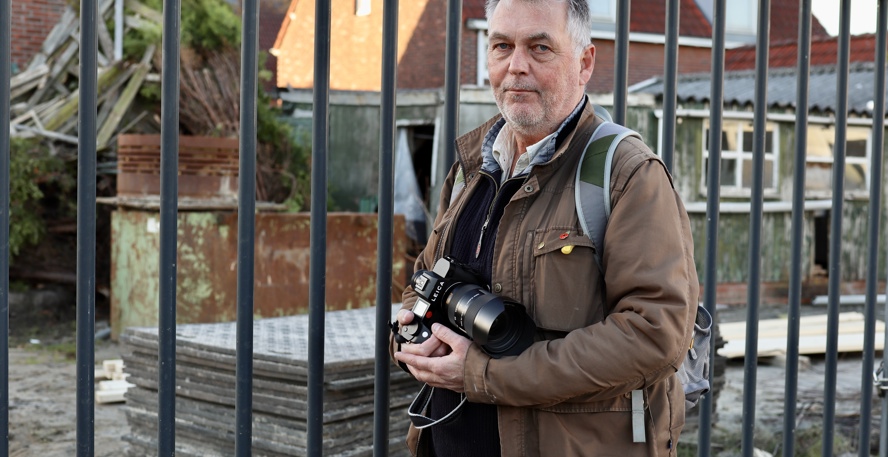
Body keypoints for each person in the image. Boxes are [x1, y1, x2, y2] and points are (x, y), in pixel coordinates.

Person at [390, 0, 700, 455]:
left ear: (584, 63)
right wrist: (412, 336)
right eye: (501, 46)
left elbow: (656, 335)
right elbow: (424, 281)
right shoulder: (471, 169)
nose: (516, 67)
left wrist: (486, 376)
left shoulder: (626, 175)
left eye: (539, 48)